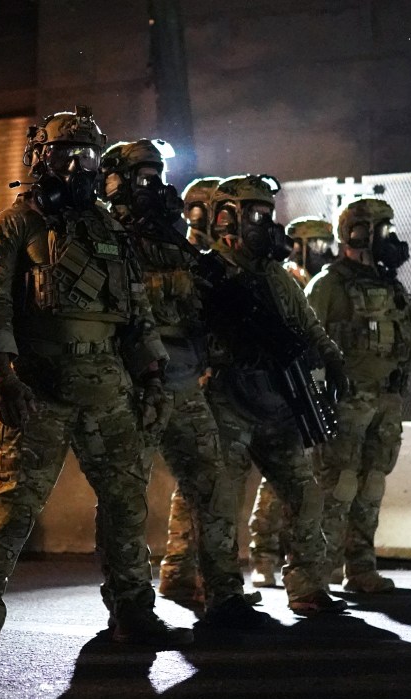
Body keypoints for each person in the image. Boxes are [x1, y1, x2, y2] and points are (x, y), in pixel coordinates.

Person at [0, 107, 192, 663]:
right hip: (39, 386)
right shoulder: (13, 225)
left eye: (87, 156)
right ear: (39, 160)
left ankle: (132, 610)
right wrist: (3, 376)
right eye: (64, 155)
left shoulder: (110, 230)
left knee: (125, 505)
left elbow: (136, 315)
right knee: (13, 513)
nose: (76, 166)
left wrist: (154, 375)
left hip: (108, 387)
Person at [100, 140, 268, 628]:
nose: (154, 187)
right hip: (132, 386)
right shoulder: (105, 237)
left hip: (184, 383)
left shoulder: (175, 243)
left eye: (158, 175)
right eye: (143, 177)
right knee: (124, 497)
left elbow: (199, 310)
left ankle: (224, 595)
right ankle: (130, 606)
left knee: (213, 485)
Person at [172, 175, 347, 616]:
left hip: (276, 401)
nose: (266, 224)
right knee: (218, 502)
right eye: (255, 215)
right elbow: (182, 331)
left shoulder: (276, 276)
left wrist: (332, 357)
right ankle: (224, 593)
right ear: (226, 217)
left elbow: (307, 325)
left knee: (304, 493)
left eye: (268, 214)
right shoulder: (205, 273)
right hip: (227, 399)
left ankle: (306, 586)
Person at [305, 197, 411, 593]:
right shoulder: (328, 285)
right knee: (339, 484)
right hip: (345, 400)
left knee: (371, 485)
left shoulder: (390, 285)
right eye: (382, 229)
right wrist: (315, 397)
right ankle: (320, 568)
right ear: (358, 233)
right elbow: (307, 343)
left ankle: (360, 568)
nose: (391, 238)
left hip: (387, 401)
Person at [248, 215, 336, 588]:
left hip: (302, 384)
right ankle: (263, 555)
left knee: (301, 479)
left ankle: (293, 560)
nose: (324, 252)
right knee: (277, 480)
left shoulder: (313, 283)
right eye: (316, 245)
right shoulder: (285, 278)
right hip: (272, 387)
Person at [155, 176, 221, 603]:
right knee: (194, 477)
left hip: (201, 372)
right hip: (170, 376)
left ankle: (186, 570)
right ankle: (182, 570)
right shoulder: (180, 252)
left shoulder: (203, 257)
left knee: (200, 480)